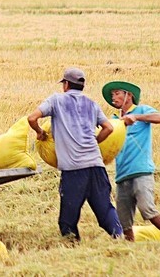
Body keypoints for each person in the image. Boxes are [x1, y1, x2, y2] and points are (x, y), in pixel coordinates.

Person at [28, 68, 123, 241]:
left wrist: (40, 132)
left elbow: (32, 118)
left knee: (68, 219)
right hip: (96, 165)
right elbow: (108, 128)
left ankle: (72, 246)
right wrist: (95, 141)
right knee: (105, 209)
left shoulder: (56, 100)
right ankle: (119, 236)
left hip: (74, 170)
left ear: (66, 85)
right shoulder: (91, 104)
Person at [102, 81, 160, 241]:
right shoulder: (112, 120)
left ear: (129, 95)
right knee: (123, 220)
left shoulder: (142, 110)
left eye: (117, 93)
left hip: (141, 170)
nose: (114, 97)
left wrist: (136, 117)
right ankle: (129, 248)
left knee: (147, 208)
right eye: (112, 95)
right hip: (122, 174)